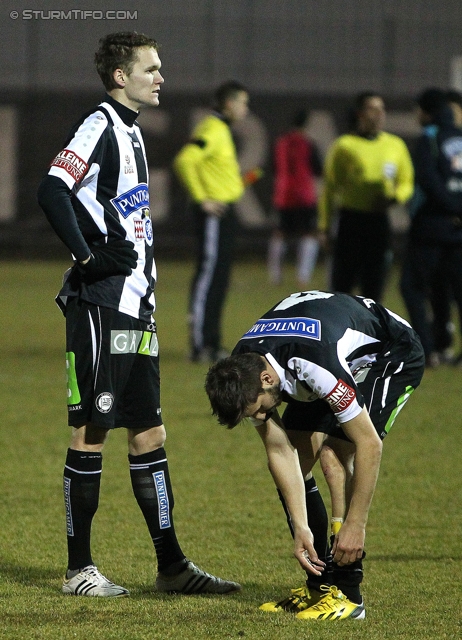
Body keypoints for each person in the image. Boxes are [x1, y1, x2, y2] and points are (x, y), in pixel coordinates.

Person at [37, 31, 240, 598]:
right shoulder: (100, 123)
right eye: (151, 68)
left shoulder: (132, 133)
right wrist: (87, 256)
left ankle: (171, 566)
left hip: (136, 309)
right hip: (101, 307)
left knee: (149, 432)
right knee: (91, 431)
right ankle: (80, 570)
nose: (161, 77)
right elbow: (53, 189)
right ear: (120, 76)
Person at [205, 290, 424, 620]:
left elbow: (370, 445)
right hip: (319, 354)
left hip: (388, 353)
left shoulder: (313, 363)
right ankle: (318, 586)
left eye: (261, 408)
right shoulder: (242, 368)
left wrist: (355, 526)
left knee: (337, 452)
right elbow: (281, 452)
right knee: (299, 452)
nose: (262, 414)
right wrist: (301, 528)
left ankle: (349, 596)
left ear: (267, 380)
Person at [173, 81, 249, 363]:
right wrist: (202, 197)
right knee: (209, 277)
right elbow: (185, 160)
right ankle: (199, 345)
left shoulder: (221, 130)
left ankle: (212, 342)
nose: (245, 109)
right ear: (229, 104)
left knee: (219, 279)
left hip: (224, 214)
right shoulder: (212, 129)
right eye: (242, 103)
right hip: (213, 215)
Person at [319, 92, 414, 302]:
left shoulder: (395, 145)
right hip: (350, 222)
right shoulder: (344, 146)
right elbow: (330, 189)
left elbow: (407, 182)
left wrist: (394, 198)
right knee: (341, 289)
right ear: (360, 114)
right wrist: (324, 226)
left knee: (374, 289)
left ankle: (371, 333)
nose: (379, 114)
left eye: (382, 109)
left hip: (378, 222)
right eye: (373, 109)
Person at [400, 88, 462, 367]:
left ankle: (427, 350)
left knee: (412, 286)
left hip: (431, 228)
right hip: (458, 231)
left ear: (427, 112)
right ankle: (444, 345)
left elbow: (427, 179)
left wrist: (450, 207)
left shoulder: (430, 138)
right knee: (452, 291)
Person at [267, 109, 323, 287]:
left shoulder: (281, 143)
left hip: (283, 195)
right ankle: (302, 277)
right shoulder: (308, 144)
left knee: (280, 234)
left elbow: (273, 167)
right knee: (309, 234)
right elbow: (318, 169)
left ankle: (275, 276)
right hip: (304, 195)